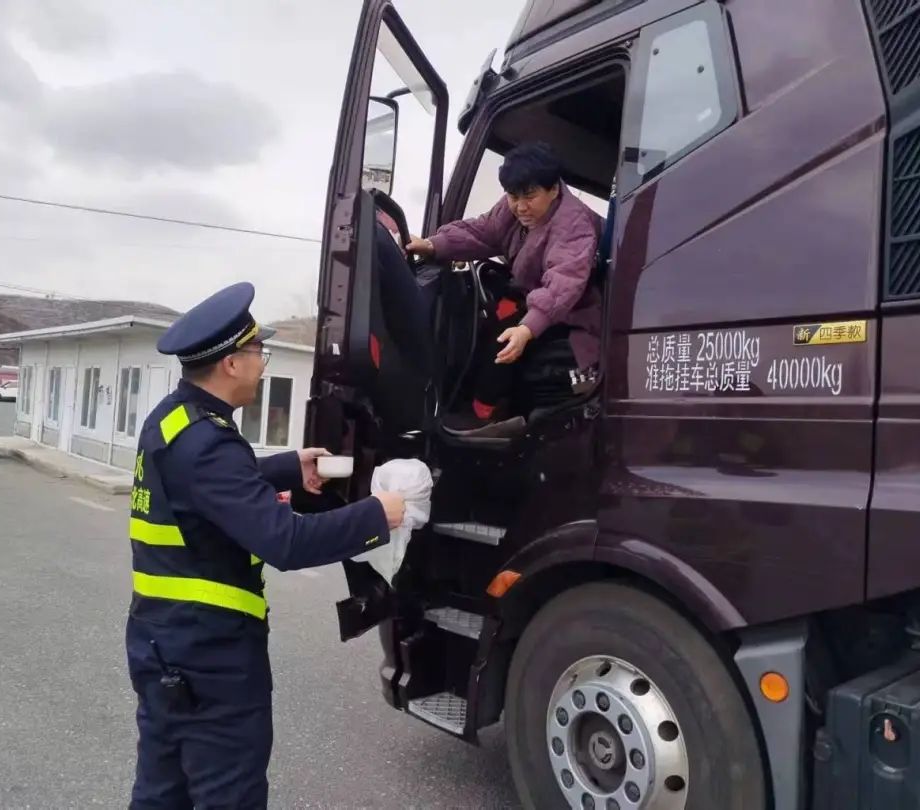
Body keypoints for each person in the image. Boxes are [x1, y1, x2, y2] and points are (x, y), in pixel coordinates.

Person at [125, 280, 406, 809]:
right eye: (259, 354)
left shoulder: (174, 419)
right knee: (228, 795)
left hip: (163, 642)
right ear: (231, 364)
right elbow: (286, 542)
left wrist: (288, 467)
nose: (262, 365)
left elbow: (206, 486)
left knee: (163, 791)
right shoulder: (209, 443)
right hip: (211, 658)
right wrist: (377, 515)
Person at [406, 141, 603, 436]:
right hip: (535, 300)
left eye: (530, 196)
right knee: (491, 318)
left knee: (504, 337)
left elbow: (563, 283)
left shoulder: (574, 225)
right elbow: (483, 232)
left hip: (573, 317)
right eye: (513, 196)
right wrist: (431, 245)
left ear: (553, 189)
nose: (520, 207)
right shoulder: (515, 208)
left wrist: (526, 329)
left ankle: (483, 416)